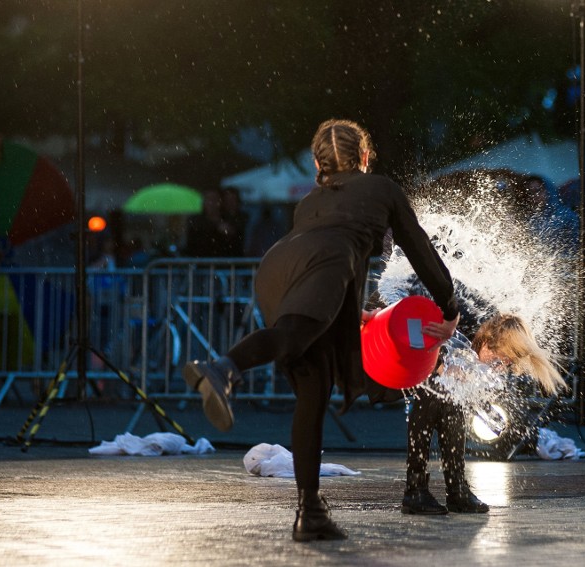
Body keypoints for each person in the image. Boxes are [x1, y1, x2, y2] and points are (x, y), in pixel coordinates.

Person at [182, 119, 460, 542]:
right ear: (365, 157)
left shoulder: (309, 201)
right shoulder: (382, 188)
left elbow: (339, 268)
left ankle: (310, 512)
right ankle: (224, 368)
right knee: (295, 339)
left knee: (312, 392)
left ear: (317, 163)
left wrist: (352, 318)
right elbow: (416, 246)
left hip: (278, 267)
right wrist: (449, 303)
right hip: (326, 263)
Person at [401, 313, 566, 516]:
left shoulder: (489, 336)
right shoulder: (463, 323)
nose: (499, 367)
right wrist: (440, 366)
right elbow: (418, 330)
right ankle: (415, 488)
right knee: (433, 393)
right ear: (487, 343)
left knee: (452, 401)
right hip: (394, 332)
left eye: (506, 363)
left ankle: (457, 488)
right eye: (498, 360)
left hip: (418, 346)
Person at [185, 187, 232, 257]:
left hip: (222, 262)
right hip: (200, 262)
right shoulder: (195, 220)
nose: (212, 203)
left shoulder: (228, 219)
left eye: (214, 199)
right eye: (209, 199)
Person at [219, 187, 249, 257]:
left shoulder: (244, 217)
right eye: (227, 200)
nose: (230, 203)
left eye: (233, 200)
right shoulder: (220, 217)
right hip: (223, 256)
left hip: (240, 255)